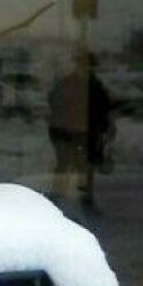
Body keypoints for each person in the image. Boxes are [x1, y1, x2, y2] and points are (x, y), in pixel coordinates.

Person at [48, 52, 114, 206]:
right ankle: (60, 199)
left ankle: (79, 198)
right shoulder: (70, 83)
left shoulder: (93, 85)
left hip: (80, 132)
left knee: (81, 167)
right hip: (66, 131)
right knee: (67, 165)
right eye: (84, 66)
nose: (86, 69)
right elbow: (55, 101)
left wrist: (105, 128)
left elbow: (103, 109)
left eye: (89, 66)